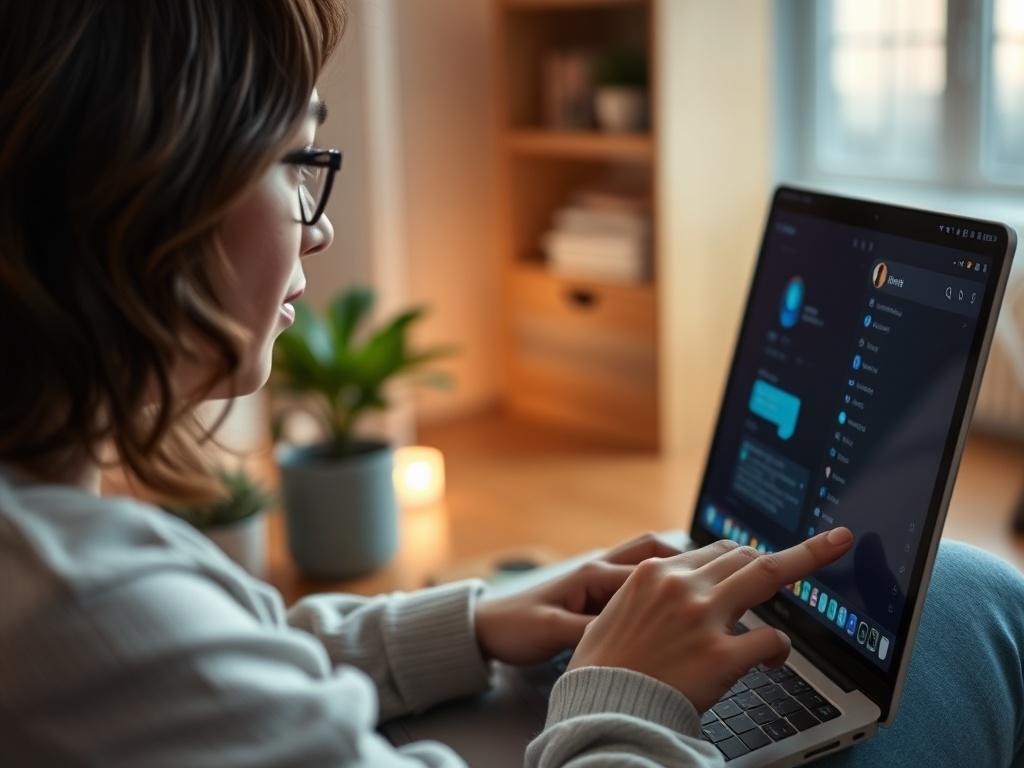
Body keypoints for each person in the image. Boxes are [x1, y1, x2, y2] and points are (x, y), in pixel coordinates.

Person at [0, 2, 1021, 766]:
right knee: (979, 598)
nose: (318, 224)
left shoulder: (62, 562)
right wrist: (620, 692)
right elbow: (173, 655)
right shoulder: (72, 604)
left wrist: (476, 621)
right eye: (292, 158)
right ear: (143, 198)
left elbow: (218, 666)